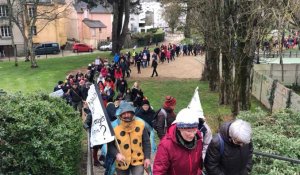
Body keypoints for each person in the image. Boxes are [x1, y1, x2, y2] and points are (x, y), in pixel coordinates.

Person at [153, 108, 203, 175]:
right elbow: (159, 172)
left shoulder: (198, 139)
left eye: (195, 130)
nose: (192, 135)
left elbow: (198, 164)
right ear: (179, 128)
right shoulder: (166, 145)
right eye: (189, 131)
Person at [108, 102, 151, 175]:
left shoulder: (141, 126)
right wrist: (117, 154)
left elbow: (146, 142)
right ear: (121, 115)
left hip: (138, 160)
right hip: (122, 161)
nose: (126, 115)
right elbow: (110, 145)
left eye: (128, 113)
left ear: (132, 113)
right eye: (124, 113)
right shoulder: (115, 129)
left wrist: (147, 157)